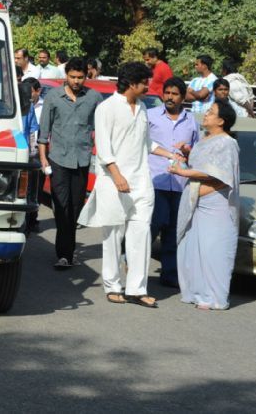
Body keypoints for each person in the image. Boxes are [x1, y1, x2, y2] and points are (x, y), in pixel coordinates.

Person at [78, 62, 181, 308]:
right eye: (144, 83)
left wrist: (170, 154)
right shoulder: (106, 108)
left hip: (141, 182)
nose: (148, 87)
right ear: (132, 84)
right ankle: (113, 286)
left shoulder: (143, 108)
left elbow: (147, 143)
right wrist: (117, 176)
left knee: (141, 234)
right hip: (113, 182)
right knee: (113, 236)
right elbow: (103, 148)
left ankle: (137, 289)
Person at [170, 98, 240, 310]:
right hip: (196, 201)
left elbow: (220, 173)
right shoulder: (204, 139)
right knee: (193, 247)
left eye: (211, 112)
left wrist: (182, 172)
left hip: (216, 203)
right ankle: (197, 293)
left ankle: (215, 298)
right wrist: (187, 153)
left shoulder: (227, 143)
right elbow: (202, 164)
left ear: (221, 121)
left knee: (213, 251)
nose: (206, 114)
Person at [38, 57, 103, 269]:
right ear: (66, 75)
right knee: (61, 206)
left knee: (75, 208)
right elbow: (43, 132)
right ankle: (64, 254)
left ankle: (68, 250)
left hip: (82, 160)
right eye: (72, 77)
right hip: (58, 159)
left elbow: (102, 129)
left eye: (80, 77)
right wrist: (43, 159)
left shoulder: (94, 98)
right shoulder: (53, 97)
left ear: (86, 76)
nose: (76, 81)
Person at [147, 77, 200, 287]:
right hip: (155, 180)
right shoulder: (150, 116)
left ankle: (169, 274)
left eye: (175, 94)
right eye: (167, 93)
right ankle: (133, 262)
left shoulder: (191, 121)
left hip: (180, 183)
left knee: (174, 230)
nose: (170, 97)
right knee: (154, 223)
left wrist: (188, 151)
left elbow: (197, 153)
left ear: (183, 97)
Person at [26, 78, 45, 233]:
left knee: (34, 189)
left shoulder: (44, 107)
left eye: (30, 91)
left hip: (36, 153)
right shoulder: (16, 105)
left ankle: (32, 220)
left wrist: (35, 153)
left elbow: (34, 130)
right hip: (21, 152)